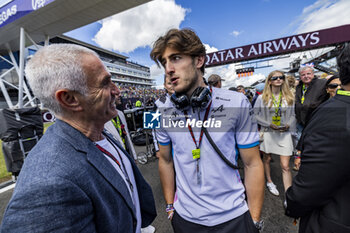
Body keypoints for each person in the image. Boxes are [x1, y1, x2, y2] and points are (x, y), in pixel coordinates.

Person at [0, 44, 156, 233]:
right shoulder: (47, 185)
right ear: (70, 99)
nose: (117, 91)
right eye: (105, 83)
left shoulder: (98, 129)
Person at [150, 28, 264, 232]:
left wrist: (254, 221)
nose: (168, 68)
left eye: (175, 58)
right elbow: (165, 160)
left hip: (235, 217)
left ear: (199, 60)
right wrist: (170, 208)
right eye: (164, 62)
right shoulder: (162, 110)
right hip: (185, 218)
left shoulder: (236, 102)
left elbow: (252, 163)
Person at [285, 44, 350, 233]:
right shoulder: (335, 118)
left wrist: (293, 204)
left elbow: (307, 190)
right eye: (302, 75)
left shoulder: (332, 111)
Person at [104, 87, 156, 233]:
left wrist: (133, 156)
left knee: (134, 190)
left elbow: (126, 137)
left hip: (126, 155)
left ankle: (141, 224)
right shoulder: (101, 117)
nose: (118, 94)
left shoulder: (119, 113)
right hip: (115, 161)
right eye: (111, 89)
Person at [254, 71, 295, 203]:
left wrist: (289, 124)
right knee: (267, 158)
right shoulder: (262, 98)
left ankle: (288, 196)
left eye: (281, 77)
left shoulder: (289, 96)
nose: (278, 79)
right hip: (268, 132)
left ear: (283, 80)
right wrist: (268, 124)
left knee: (285, 166)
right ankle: (270, 181)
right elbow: (254, 115)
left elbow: (293, 115)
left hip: (284, 134)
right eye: (274, 78)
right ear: (269, 81)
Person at [293, 66, 327, 170]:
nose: (306, 76)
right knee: (301, 144)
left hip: (316, 121)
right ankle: (304, 164)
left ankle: (317, 164)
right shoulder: (299, 86)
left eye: (308, 74)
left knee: (316, 145)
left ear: (313, 74)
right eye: (303, 75)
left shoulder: (322, 83)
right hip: (301, 121)